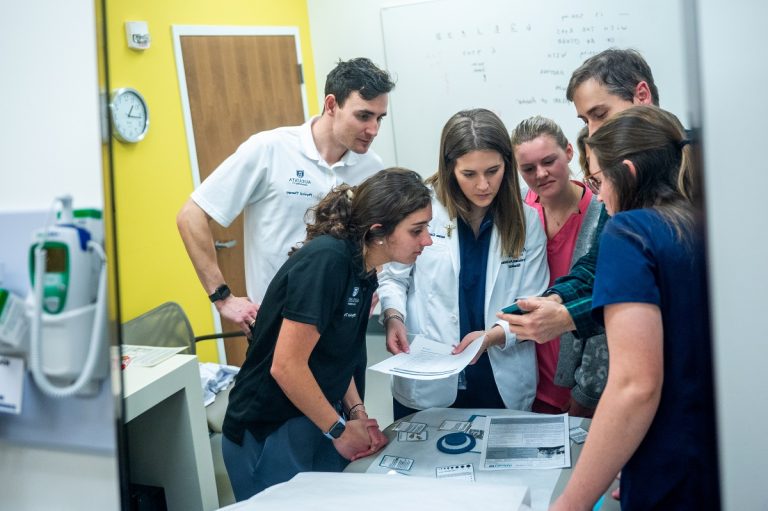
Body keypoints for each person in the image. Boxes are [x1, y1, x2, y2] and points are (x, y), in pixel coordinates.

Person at [221, 168, 433, 500]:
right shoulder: (327, 261)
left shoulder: (364, 268)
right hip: (269, 428)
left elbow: (338, 352)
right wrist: (338, 430)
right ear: (378, 231)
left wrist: (357, 414)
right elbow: (286, 366)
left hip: (317, 416)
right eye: (417, 231)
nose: (427, 240)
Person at [550, 106, 719, 511]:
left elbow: (634, 385)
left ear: (627, 172)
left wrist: (570, 503)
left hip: (671, 467)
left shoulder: (629, 233)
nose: (600, 194)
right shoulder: (701, 224)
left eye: (598, 179)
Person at [177, 57, 395, 334]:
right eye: (364, 116)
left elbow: (373, 239)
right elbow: (191, 216)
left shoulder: (372, 168)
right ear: (331, 105)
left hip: (342, 324)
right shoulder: (269, 149)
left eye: (379, 118)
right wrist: (222, 298)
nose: (373, 129)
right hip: (277, 324)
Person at [378, 108, 549, 420]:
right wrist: (393, 317)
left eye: (493, 171)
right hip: (429, 371)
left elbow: (534, 303)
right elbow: (393, 276)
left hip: (499, 375)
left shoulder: (527, 219)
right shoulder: (423, 209)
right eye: (469, 174)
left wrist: (493, 336)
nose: (483, 185)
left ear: (507, 166)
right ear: (449, 168)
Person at [499, 48, 658, 364]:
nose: (594, 132)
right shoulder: (628, 185)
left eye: (600, 115)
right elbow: (596, 265)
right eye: (586, 120)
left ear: (642, 95)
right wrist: (556, 300)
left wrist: (567, 317)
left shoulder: (687, 174)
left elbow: (649, 289)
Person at [510, 118, 606, 417]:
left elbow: (602, 305)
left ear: (568, 151)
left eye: (549, 161)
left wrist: (585, 393)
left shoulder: (602, 214)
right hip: (525, 380)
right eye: (528, 169)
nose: (540, 174)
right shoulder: (518, 213)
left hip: (581, 385)